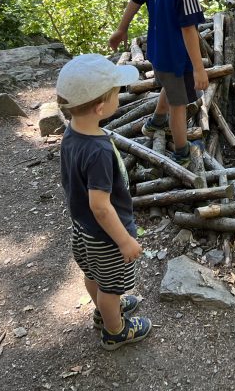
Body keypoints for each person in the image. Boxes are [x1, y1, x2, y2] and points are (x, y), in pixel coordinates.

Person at [108, 0, 229, 167]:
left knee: (170, 88)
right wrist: (199, 68)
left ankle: (155, 123)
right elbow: (189, 29)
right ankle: (182, 151)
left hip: (157, 51)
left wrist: (121, 29)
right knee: (180, 104)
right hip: (176, 56)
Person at [56, 53, 152, 350]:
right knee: (112, 287)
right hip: (107, 236)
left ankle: (102, 312)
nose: (119, 98)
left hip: (83, 230)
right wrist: (124, 240)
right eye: (116, 94)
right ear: (100, 107)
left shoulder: (72, 132)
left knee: (93, 275)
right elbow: (100, 205)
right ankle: (115, 330)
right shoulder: (97, 151)